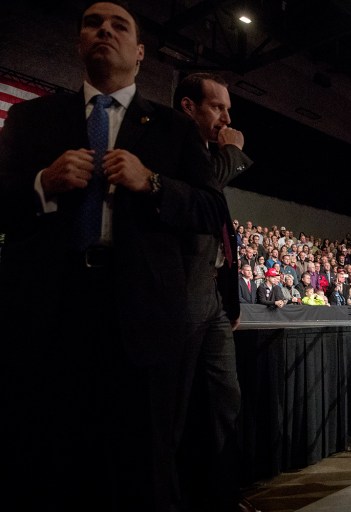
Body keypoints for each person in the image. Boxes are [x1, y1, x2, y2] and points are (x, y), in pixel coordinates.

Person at [0, 2, 228, 510]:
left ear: (141, 53)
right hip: (49, 312)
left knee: (137, 467)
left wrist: (153, 182)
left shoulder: (172, 129)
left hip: (140, 319)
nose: (104, 29)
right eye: (91, 23)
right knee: (47, 459)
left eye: (119, 25)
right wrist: (42, 184)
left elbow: (213, 210)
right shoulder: (30, 117)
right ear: (80, 43)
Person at [174, 71, 254, 512]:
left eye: (228, 110)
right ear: (189, 107)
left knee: (226, 400)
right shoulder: (176, 146)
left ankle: (221, 494)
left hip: (215, 304)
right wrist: (233, 152)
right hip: (181, 296)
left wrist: (232, 302)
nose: (226, 117)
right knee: (175, 406)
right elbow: (204, 191)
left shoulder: (209, 156)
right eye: (217, 107)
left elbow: (224, 240)